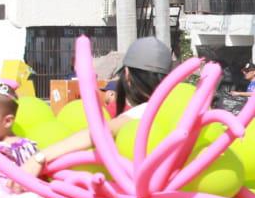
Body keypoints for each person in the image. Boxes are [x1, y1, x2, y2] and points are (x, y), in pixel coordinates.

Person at [27, 36, 173, 175]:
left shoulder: (145, 111)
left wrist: (39, 158)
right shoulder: (181, 108)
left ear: (127, 75)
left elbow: (100, 133)